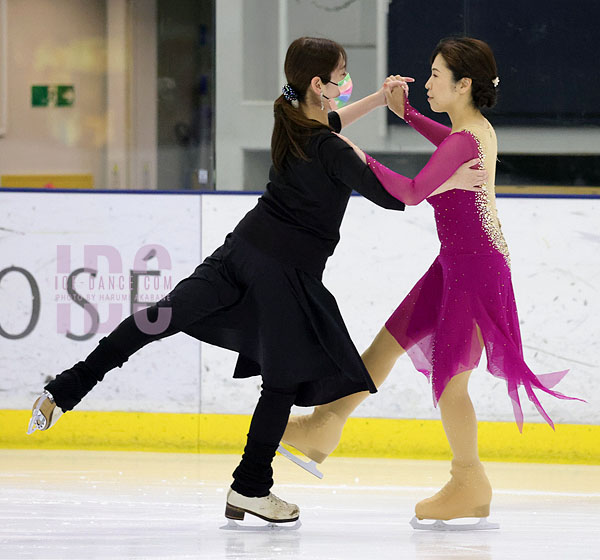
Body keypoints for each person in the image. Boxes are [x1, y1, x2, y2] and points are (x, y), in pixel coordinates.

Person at [27, 36, 484, 527]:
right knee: (282, 380)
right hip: (285, 271)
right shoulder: (329, 148)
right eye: (341, 76)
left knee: (157, 318)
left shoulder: (288, 121)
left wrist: (374, 101)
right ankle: (250, 488)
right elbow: (398, 198)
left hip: (239, 252)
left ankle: (63, 392)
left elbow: (328, 127)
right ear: (319, 83)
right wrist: (452, 180)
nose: (346, 83)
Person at [281, 36, 582, 527]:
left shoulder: (466, 138)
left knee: (450, 382)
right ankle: (323, 425)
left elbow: (415, 191)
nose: (428, 82)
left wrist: (350, 152)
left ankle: (469, 481)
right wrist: (406, 116)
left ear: (463, 85)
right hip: (455, 264)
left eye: (437, 75)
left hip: (474, 272)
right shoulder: (471, 131)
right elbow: (446, 150)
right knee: (388, 343)